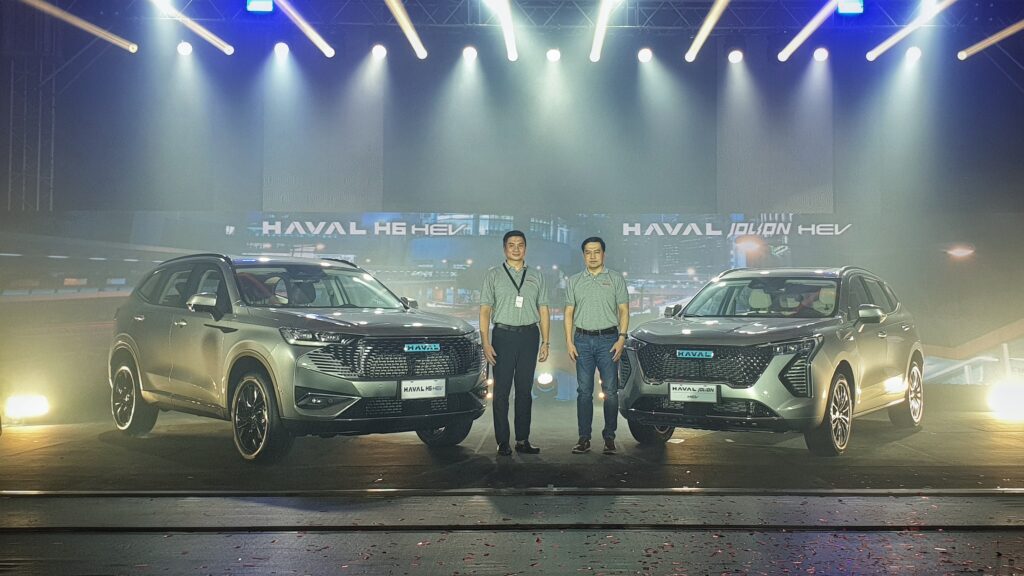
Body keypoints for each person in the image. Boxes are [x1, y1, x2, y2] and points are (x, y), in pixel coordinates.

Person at [480, 230, 551, 456]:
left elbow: (544, 309)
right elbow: (485, 310)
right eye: (511, 245)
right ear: (504, 249)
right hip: (503, 336)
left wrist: (546, 342)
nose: (516, 248)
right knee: (501, 391)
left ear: (525, 248)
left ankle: (522, 439)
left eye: (520, 244)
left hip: (530, 336)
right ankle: (503, 441)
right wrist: (485, 342)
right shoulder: (493, 275)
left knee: (524, 391)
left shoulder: (536, 275)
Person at [564, 237, 629, 455]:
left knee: (610, 391)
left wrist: (622, 338)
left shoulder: (615, 279)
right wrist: (569, 341)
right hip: (582, 340)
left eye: (597, 251)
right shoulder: (574, 281)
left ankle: (609, 437)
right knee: (584, 391)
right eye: (588, 252)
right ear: (583, 255)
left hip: (609, 340)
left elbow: (624, 310)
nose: (592, 256)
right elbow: (569, 313)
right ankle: (584, 438)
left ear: (604, 254)